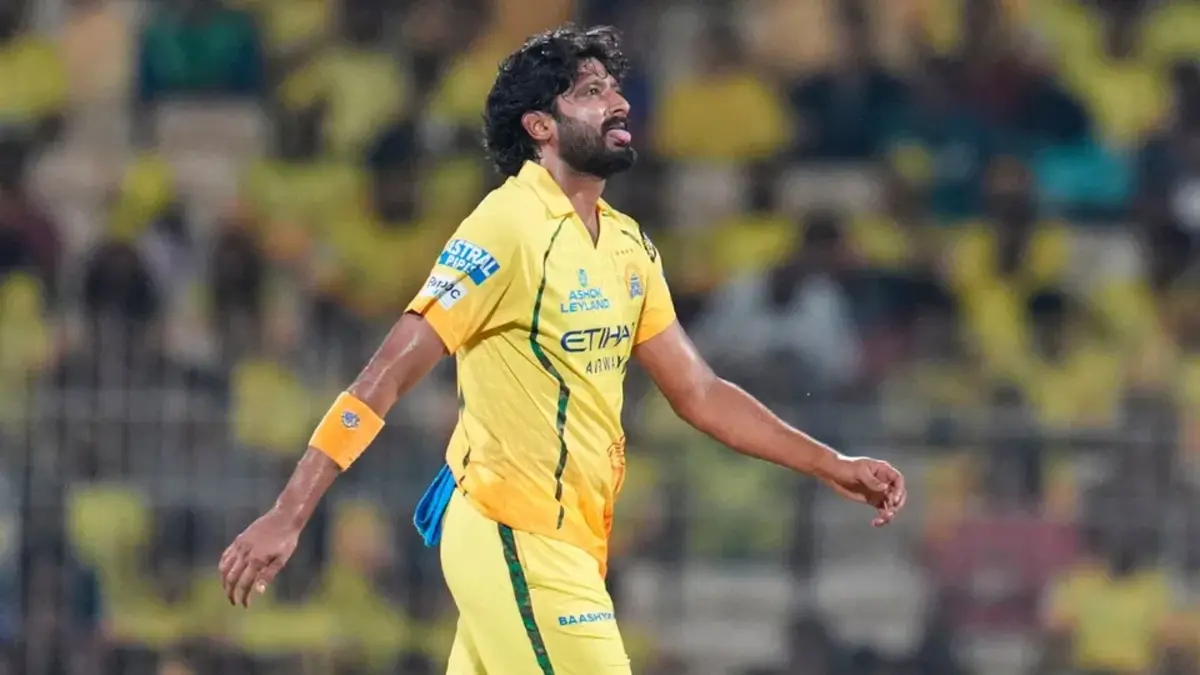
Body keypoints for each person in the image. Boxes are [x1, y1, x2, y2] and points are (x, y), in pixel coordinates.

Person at [218, 25, 907, 675]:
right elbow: (384, 377)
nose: (619, 102)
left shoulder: (627, 244)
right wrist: (289, 513)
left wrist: (831, 463)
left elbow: (700, 392)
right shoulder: (506, 226)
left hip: (568, 545)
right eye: (591, 91)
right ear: (540, 126)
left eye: (615, 88)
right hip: (514, 534)